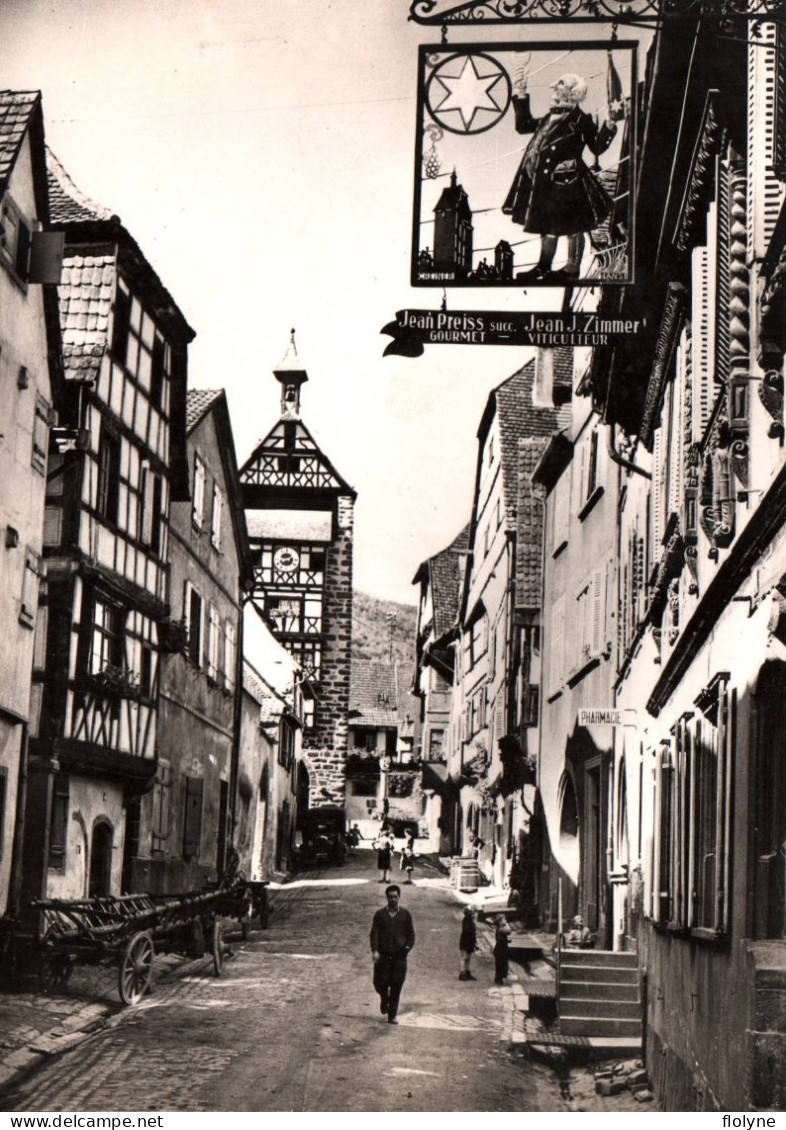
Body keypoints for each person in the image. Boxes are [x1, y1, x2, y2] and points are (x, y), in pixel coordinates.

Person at [502, 69, 618, 283]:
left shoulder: (581, 119)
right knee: (547, 225)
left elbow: (598, 147)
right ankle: (543, 267)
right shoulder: (551, 116)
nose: (554, 88)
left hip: (570, 179)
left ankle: (572, 267)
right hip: (545, 181)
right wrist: (520, 91)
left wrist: (609, 126)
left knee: (574, 224)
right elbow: (522, 126)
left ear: (573, 93)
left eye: (560, 85)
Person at [370, 884, 415, 1024]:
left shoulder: (405, 914)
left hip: (399, 957)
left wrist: (406, 949)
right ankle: (384, 998)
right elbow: (374, 934)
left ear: (399, 897)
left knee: (396, 985)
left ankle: (392, 1015)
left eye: (395, 897)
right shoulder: (379, 914)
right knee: (379, 983)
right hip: (383, 956)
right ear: (387, 898)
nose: (393, 899)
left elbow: (411, 935)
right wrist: (375, 950)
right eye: (390, 897)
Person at [458, 906, 477, 981]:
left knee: (468, 958)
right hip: (465, 941)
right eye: (472, 913)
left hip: (469, 941)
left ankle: (467, 972)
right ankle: (462, 973)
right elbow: (467, 931)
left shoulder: (469, 920)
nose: (474, 914)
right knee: (464, 957)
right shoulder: (466, 920)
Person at [493, 915, 512, 984]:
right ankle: (499, 979)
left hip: (501, 948)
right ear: (500, 921)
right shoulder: (501, 929)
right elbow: (509, 931)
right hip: (500, 949)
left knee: (500, 964)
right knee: (501, 964)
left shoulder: (500, 928)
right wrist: (506, 924)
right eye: (504, 919)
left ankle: (499, 979)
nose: (506, 920)